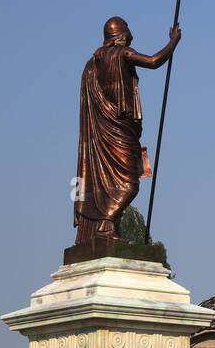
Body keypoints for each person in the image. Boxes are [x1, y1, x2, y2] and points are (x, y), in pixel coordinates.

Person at [74, 17, 181, 245]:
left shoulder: (92, 64)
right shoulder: (122, 54)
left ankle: (108, 226)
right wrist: (173, 41)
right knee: (129, 184)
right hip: (115, 127)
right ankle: (105, 225)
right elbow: (153, 61)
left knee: (114, 180)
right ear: (121, 34)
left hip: (113, 129)